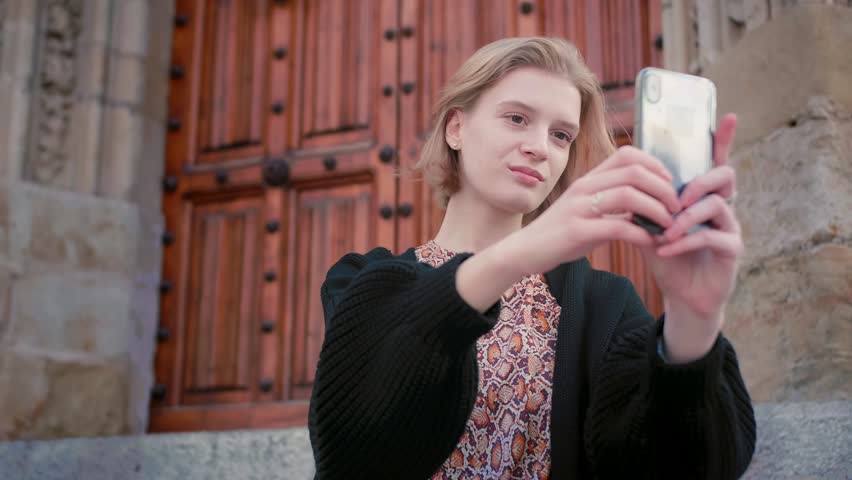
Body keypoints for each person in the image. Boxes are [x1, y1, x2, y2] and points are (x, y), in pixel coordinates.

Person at [308, 37, 756, 480]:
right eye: (517, 118)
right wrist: (520, 254)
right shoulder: (363, 282)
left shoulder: (604, 304)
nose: (540, 147)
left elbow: (682, 466)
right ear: (455, 128)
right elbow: (355, 443)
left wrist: (694, 321)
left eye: (561, 135)